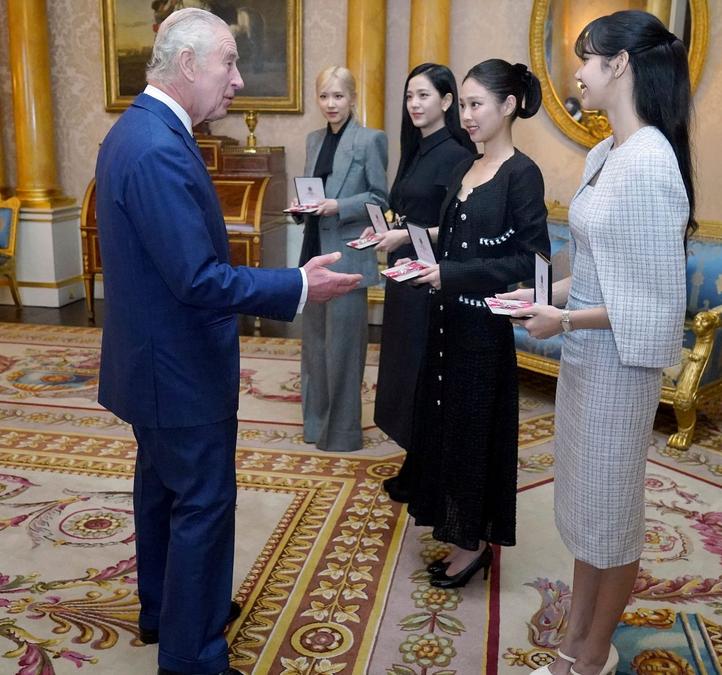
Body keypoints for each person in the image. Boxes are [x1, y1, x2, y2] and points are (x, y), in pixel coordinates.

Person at [95, 9, 360, 675]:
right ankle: (192, 654)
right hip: (177, 369)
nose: (238, 80)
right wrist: (295, 286)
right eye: (228, 65)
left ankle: (169, 608)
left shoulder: (141, 130)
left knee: (162, 491)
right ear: (188, 65)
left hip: (154, 361)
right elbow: (198, 278)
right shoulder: (157, 146)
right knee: (203, 503)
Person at [507, 11, 695, 675]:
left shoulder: (650, 163)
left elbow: (654, 304)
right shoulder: (604, 151)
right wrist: (544, 298)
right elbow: (592, 269)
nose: (576, 73)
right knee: (589, 508)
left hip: (621, 365)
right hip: (590, 358)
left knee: (612, 517)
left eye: (587, 59)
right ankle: (579, 636)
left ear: (621, 65)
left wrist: (566, 322)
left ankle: (590, 655)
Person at [401, 59, 550, 589]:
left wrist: (451, 274)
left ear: (508, 107)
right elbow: (456, 237)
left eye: (475, 104)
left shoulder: (521, 174)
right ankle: (456, 528)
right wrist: (422, 258)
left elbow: (533, 264)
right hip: (444, 323)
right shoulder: (468, 168)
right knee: (444, 426)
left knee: (473, 432)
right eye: (461, 104)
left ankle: (474, 545)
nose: (465, 115)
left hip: (483, 331)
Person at [363, 63, 476, 503]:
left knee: (425, 371)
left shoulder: (457, 155)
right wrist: (389, 231)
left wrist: (403, 235)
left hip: (430, 275)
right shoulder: (416, 148)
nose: (414, 104)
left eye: (424, 95)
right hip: (402, 270)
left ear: (447, 102)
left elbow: (455, 226)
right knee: (402, 369)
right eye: (410, 95)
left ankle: (427, 467)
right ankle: (416, 458)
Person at [297, 66, 389, 452]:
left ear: (352, 98)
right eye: (323, 96)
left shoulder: (371, 141)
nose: (330, 104)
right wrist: (300, 208)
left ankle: (343, 434)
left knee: (343, 351)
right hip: (312, 253)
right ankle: (316, 427)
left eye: (337, 96)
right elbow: (311, 195)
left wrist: (339, 206)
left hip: (349, 257)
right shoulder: (313, 139)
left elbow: (381, 201)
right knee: (314, 348)